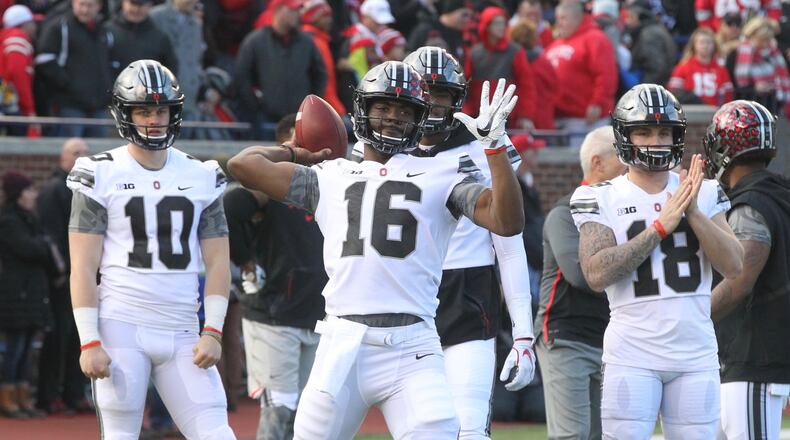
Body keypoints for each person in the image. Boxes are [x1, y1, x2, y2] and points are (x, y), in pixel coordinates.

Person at [227, 60, 525, 439]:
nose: (392, 118)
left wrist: (496, 150)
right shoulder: (332, 175)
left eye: (404, 110)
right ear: (362, 111)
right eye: (383, 107)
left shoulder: (443, 175)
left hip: (412, 344)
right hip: (343, 342)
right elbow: (243, 165)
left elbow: (506, 221)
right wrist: (298, 152)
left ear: (420, 119)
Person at [66, 60, 235, 439]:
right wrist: (89, 340)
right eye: (143, 110)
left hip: (183, 329)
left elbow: (219, 260)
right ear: (125, 114)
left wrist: (214, 330)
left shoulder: (201, 174)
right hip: (121, 325)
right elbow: (83, 265)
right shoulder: (99, 172)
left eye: (161, 110)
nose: (154, 119)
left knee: (217, 433)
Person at [571, 83, 743, 439]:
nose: (656, 141)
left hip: (695, 354)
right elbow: (596, 272)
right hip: (632, 354)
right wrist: (659, 228)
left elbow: (735, 266)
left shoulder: (704, 190)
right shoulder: (598, 196)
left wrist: (692, 210)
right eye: (644, 131)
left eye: (664, 132)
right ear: (624, 137)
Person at [403, 46, 536, 440]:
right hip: (405, 294)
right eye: (424, 93)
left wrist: (524, 335)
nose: (432, 104)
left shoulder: (482, 143)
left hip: (467, 292)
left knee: (469, 429)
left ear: (457, 97)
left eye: (441, 94)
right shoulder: (383, 147)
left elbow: (509, 245)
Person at [225, 114, 328, 440]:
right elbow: (231, 206)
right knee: (280, 409)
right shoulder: (272, 185)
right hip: (274, 313)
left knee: (312, 414)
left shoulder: (329, 181)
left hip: (318, 313)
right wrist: (245, 261)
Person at [702, 100, 790, 440]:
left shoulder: (751, 205)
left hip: (753, 362)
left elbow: (739, 281)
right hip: (755, 359)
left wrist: (690, 316)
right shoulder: (777, 194)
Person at [534, 126, 626, 440]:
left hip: (606, 339)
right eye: (622, 156)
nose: (631, 164)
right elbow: (582, 275)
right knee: (573, 435)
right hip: (565, 335)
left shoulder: (621, 211)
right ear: (598, 163)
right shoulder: (565, 212)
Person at [0, 171, 64, 419]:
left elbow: (42, 246)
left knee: (26, 349)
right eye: (28, 191)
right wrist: (45, 246)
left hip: (31, 292)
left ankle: (22, 395)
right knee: (16, 348)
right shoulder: (9, 221)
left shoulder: (30, 219)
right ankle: (9, 397)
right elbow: (30, 249)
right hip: (17, 293)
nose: (33, 195)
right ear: (18, 194)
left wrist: (44, 246)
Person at [36, 138, 92, 416]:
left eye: (85, 152)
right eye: (75, 153)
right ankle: (49, 396)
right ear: (63, 158)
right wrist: (64, 271)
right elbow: (51, 237)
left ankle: (73, 392)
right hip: (64, 280)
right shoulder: (54, 190)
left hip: (85, 277)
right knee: (58, 337)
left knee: (80, 339)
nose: (82, 156)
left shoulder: (88, 189)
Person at [545, 0, 617, 148]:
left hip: (585, 120)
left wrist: (598, 102)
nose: (559, 23)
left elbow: (606, 74)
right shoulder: (556, 43)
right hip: (558, 117)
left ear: (578, 17)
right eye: (558, 19)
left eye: (563, 18)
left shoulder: (595, 38)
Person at [668, 27, 734, 107]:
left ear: (714, 45)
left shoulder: (721, 70)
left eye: (709, 42)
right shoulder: (683, 67)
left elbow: (728, 96)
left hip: (714, 113)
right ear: (694, 45)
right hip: (690, 113)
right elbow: (674, 93)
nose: (705, 46)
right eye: (702, 42)